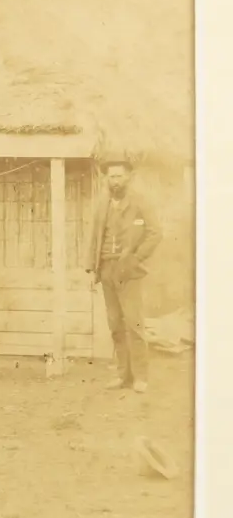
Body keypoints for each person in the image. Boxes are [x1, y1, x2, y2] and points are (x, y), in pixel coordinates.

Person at [83, 158, 161, 393]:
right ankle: (122, 375)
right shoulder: (102, 204)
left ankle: (140, 377)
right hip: (106, 269)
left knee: (134, 324)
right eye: (111, 177)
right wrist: (91, 269)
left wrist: (136, 258)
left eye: (118, 176)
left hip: (128, 270)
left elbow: (155, 233)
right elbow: (94, 236)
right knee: (115, 324)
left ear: (128, 178)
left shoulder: (140, 202)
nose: (114, 181)